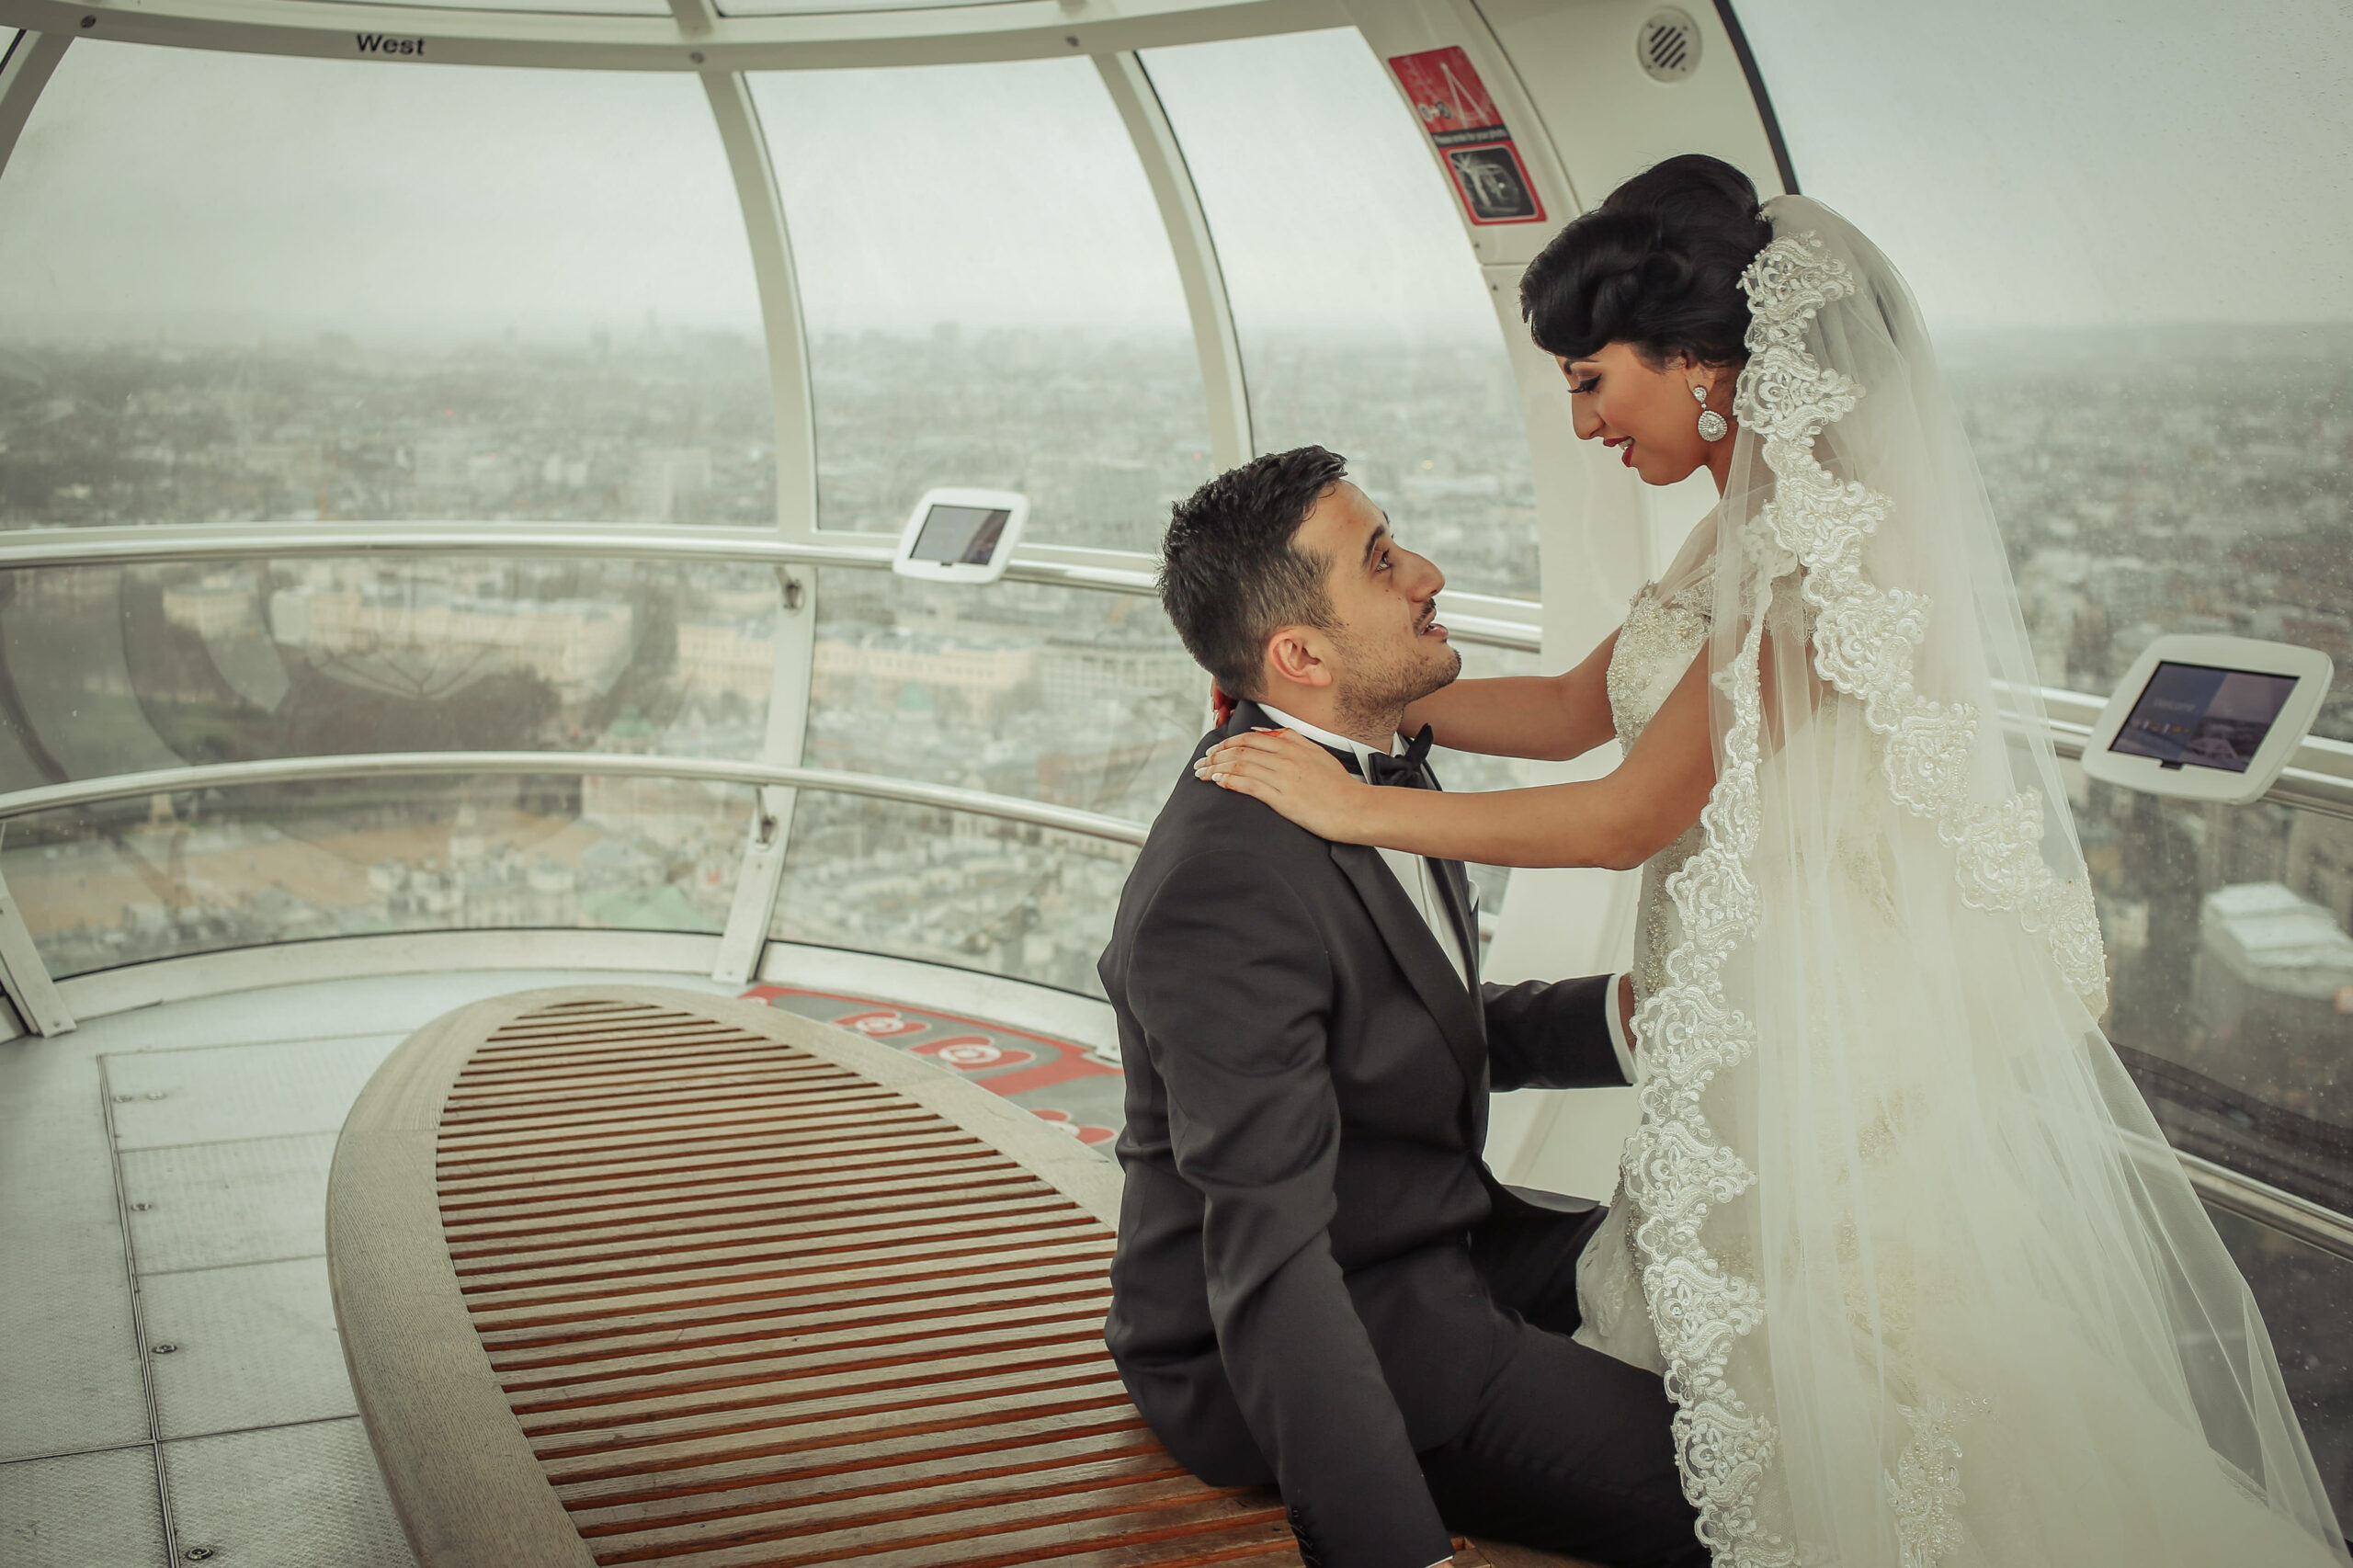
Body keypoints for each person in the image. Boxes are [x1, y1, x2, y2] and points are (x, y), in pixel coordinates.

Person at [1198, 157, 2350, 1568]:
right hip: (1741, 1014)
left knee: (1872, 1406)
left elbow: (1630, 811)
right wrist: (1364, 707)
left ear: (1700, 364)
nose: (1580, 420)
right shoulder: (1739, 530)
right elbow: (1574, 707)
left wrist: (1356, 806)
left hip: (1823, 1042)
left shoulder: (1817, 559)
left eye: (1590, 378)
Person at [1100, 445, 1711, 1568]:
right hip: (1328, 1325)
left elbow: (1400, 1012)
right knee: (1745, 1486)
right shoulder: (1224, 886)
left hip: (1442, 1238)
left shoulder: (1364, 759)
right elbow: (1270, 1256)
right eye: (1382, 561)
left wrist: (1631, 1013)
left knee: (1757, 1301)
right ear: (1301, 654)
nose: (1426, 570)